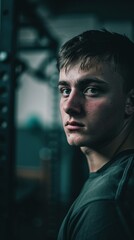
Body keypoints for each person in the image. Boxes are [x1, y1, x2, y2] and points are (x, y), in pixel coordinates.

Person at [57, 29, 134, 240]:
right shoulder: (114, 180)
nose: (70, 106)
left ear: (130, 102)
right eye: (65, 90)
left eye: (91, 89)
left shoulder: (105, 205)